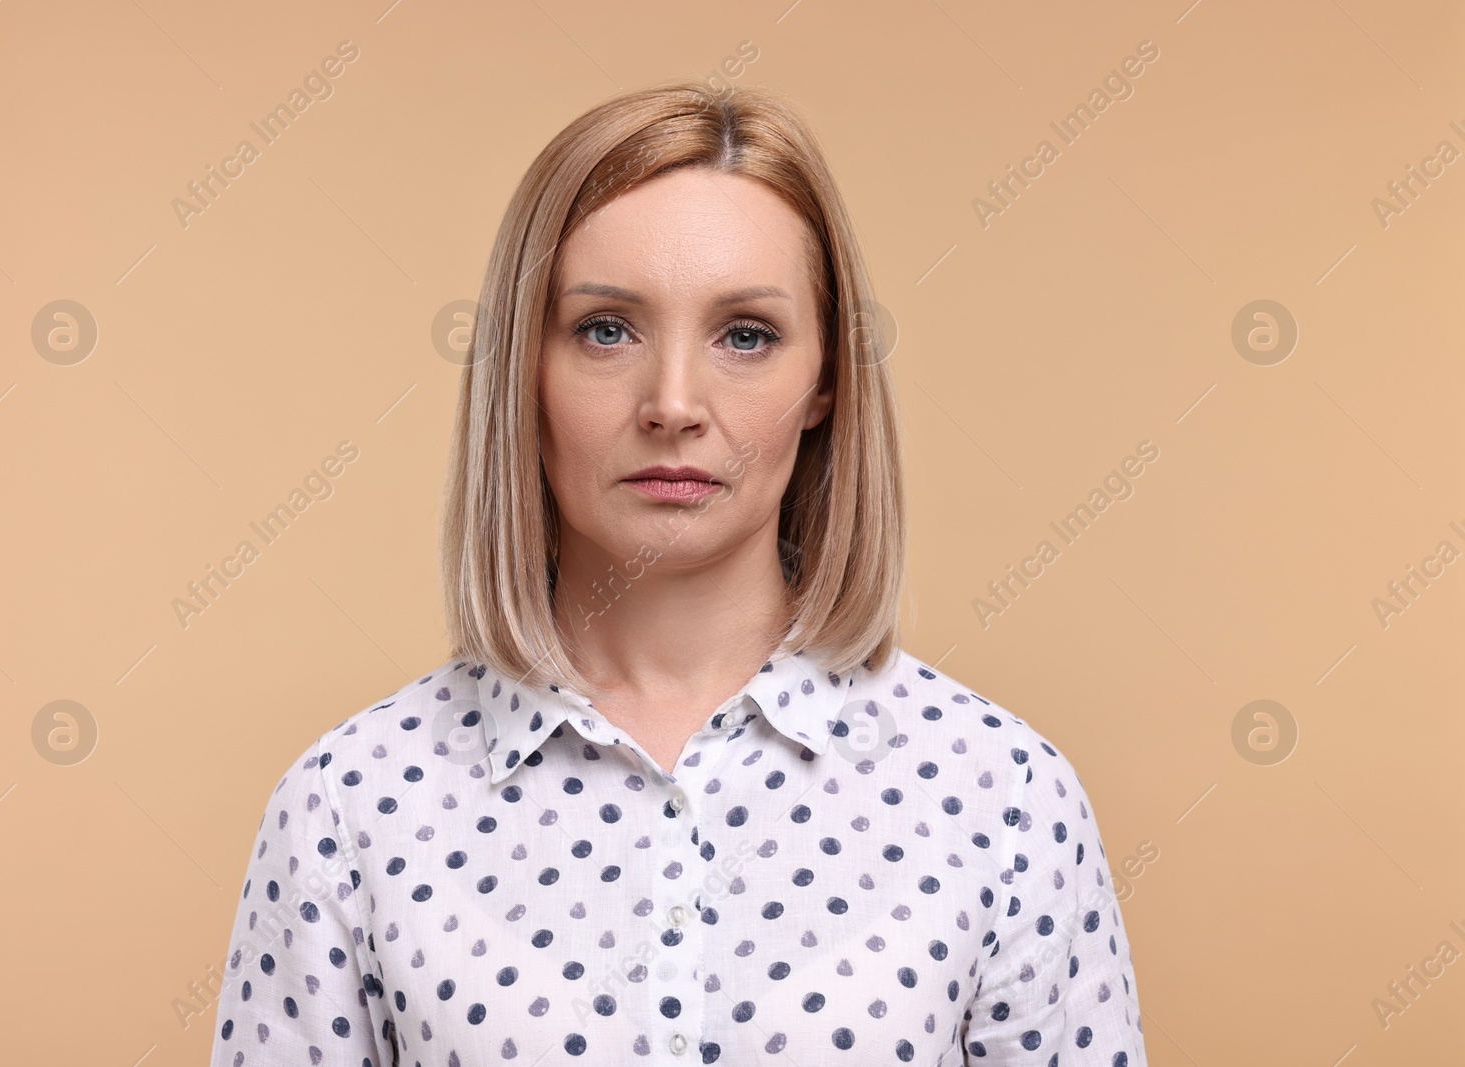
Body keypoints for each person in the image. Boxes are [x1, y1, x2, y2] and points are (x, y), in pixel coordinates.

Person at [208, 79, 1147, 1066]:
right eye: (605, 329)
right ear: (524, 369)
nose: (672, 403)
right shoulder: (349, 803)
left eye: (745, 334)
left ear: (824, 378)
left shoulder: (1003, 795)